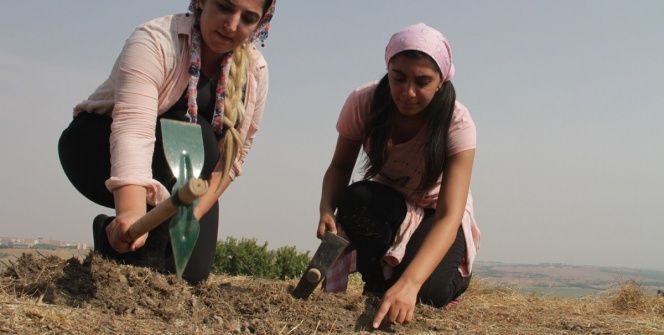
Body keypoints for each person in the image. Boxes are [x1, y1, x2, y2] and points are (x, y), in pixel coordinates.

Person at [58, 0, 276, 285]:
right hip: (98, 149)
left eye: (248, 18)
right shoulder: (156, 40)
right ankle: (130, 244)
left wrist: (186, 216)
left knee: (189, 274)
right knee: (196, 134)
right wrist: (132, 212)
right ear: (201, 1)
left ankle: (110, 236)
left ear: (259, 25)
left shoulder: (255, 71)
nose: (232, 24)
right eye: (224, 6)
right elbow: (133, 129)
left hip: (182, 172)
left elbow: (230, 162)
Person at [317, 23, 480, 328]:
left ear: (441, 83)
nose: (408, 92)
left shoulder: (457, 123)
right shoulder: (363, 103)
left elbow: (448, 215)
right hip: (390, 201)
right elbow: (340, 167)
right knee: (356, 199)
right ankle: (377, 280)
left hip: (436, 212)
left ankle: (456, 278)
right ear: (387, 72)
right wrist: (327, 208)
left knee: (428, 292)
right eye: (399, 78)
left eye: (423, 81)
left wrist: (412, 283)